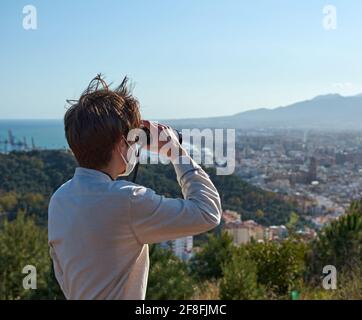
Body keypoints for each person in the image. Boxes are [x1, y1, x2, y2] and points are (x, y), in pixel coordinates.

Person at [48, 75, 222, 300]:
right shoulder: (127, 201)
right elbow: (207, 213)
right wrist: (176, 152)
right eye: (132, 139)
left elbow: (61, 270)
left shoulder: (59, 199)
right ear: (121, 145)